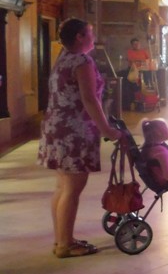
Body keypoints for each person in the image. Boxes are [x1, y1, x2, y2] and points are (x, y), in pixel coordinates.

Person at [37, 18, 125, 258]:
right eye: (90, 33)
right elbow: (90, 99)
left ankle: (62, 239)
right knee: (72, 189)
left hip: (56, 127)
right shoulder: (81, 61)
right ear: (79, 37)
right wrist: (107, 130)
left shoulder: (63, 57)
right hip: (74, 131)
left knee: (62, 186)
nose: (93, 37)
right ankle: (65, 245)